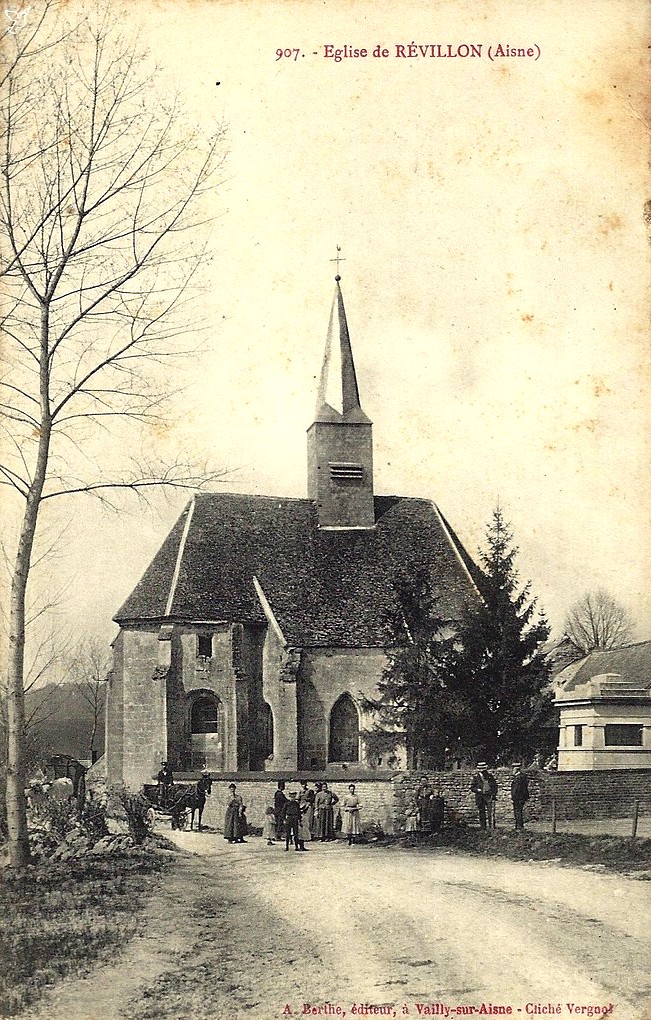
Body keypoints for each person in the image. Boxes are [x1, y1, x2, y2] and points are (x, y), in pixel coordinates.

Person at [470, 762, 498, 830]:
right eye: (480, 769)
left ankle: (491, 826)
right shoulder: (476, 777)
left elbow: (495, 786)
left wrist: (493, 794)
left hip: (489, 796)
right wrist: (478, 790)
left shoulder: (490, 776)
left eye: (483, 769)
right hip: (480, 797)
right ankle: (483, 827)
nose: (482, 770)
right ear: (478, 769)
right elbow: (472, 788)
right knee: (481, 812)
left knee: (490, 812)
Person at [511, 763, 530, 830]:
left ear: (516, 770)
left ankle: (519, 826)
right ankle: (520, 826)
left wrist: (513, 797)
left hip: (518, 798)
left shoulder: (518, 778)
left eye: (513, 769)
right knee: (519, 811)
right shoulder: (523, 776)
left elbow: (516, 789)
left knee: (517, 812)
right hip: (522, 797)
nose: (512, 771)